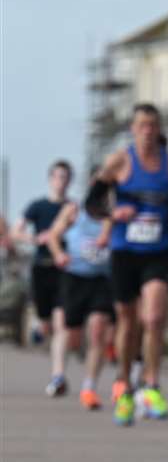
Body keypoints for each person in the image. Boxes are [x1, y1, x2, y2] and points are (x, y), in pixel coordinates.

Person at [86, 106, 168, 426]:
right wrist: (112, 215)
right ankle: (123, 383)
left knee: (155, 316)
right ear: (133, 130)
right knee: (128, 322)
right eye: (141, 125)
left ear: (158, 129)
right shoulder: (119, 162)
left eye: (152, 125)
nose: (147, 131)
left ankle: (152, 385)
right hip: (124, 253)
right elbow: (91, 203)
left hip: (158, 252)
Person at [47, 183, 115, 410]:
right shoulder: (74, 210)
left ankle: (89, 387)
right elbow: (53, 236)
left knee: (98, 330)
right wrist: (58, 254)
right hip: (75, 277)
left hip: (102, 280)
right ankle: (65, 371)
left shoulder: (117, 214)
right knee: (73, 335)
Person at [16, 160, 72, 392]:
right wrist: (33, 238)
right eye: (57, 176)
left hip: (64, 269)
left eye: (65, 177)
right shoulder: (37, 206)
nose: (61, 181)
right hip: (41, 267)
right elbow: (16, 231)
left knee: (62, 324)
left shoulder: (72, 208)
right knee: (47, 323)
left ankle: (58, 375)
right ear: (50, 179)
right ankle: (40, 328)